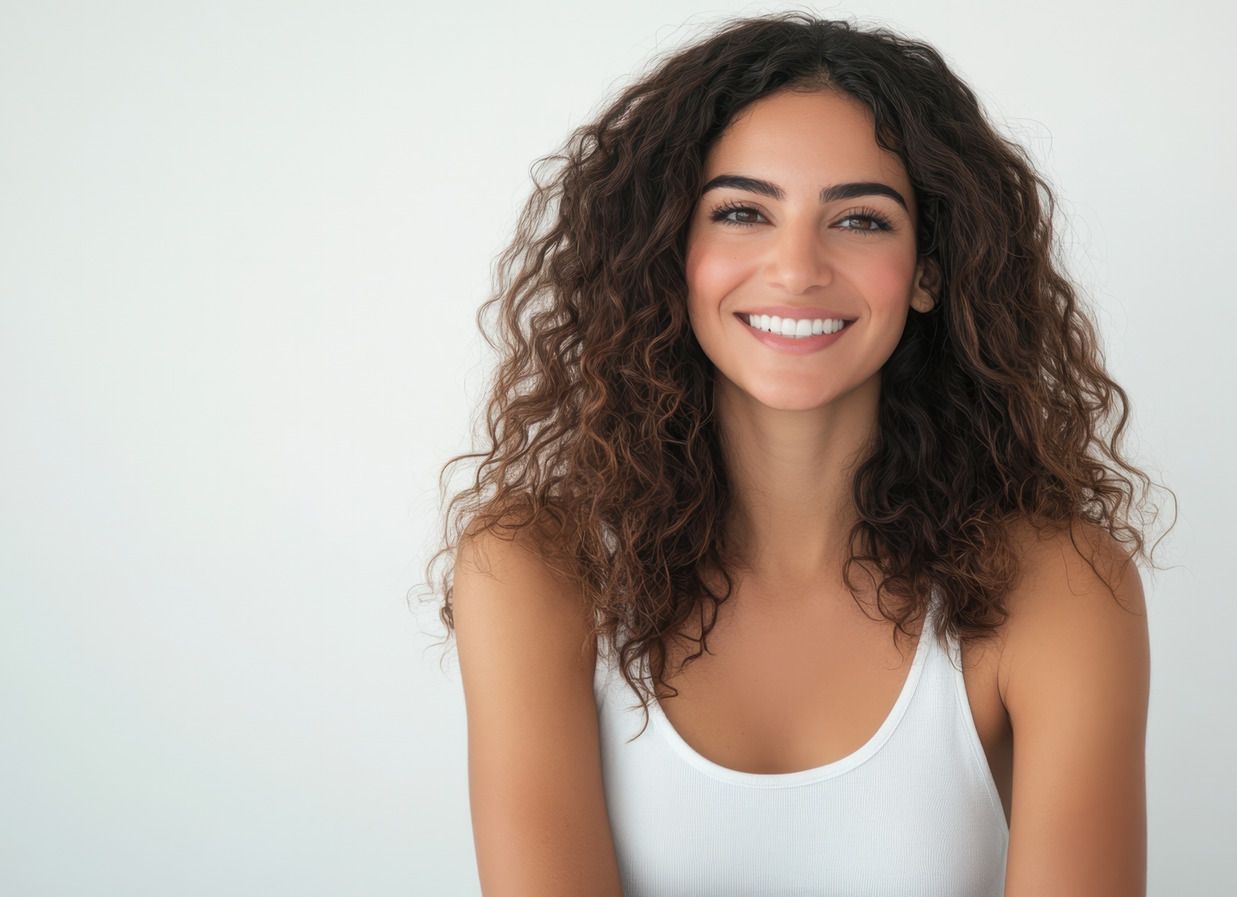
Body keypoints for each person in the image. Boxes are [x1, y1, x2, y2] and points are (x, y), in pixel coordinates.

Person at [429, 11, 1166, 897]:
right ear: (672, 253)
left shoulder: (1062, 585)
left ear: (929, 271)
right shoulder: (538, 568)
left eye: (859, 220)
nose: (796, 267)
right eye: (742, 211)